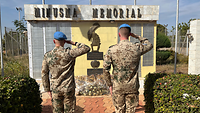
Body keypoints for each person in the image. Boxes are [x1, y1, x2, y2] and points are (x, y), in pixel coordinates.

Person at [103, 24, 153, 113]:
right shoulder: (137, 48)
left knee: (119, 110)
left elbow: (105, 69)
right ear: (130, 34)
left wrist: (110, 85)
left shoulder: (112, 50)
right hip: (132, 86)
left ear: (119, 34)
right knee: (131, 110)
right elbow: (149, 44)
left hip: (117, 86)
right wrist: (137, 36)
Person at [41, 31, 90, 113]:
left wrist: (47, 89)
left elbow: (44, 73)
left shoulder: (48, 55)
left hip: (55, 88)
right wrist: (72, 42)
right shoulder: (70, 53)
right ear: (64, 41)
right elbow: (86, 48)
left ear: (54, 41)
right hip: (68, 88)